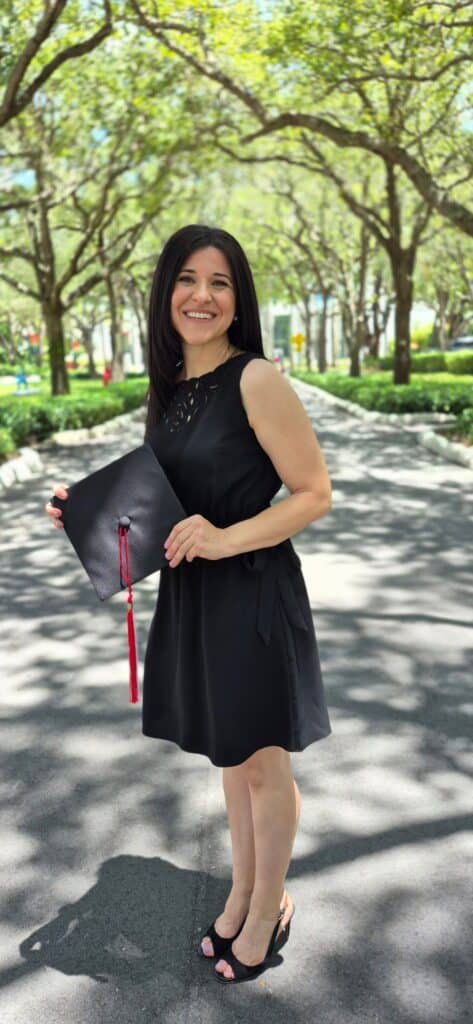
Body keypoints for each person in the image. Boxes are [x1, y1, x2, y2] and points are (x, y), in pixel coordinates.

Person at [45, 223, 333, 985]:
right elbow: (165, 499)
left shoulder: (255, 379)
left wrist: (226, 537)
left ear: (238, 300)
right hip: (197, 594)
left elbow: (313, 493)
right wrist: (87, 509)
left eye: (219, 283)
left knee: (263, 765)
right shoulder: (173, 392)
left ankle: (267, 906)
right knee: (232, 761)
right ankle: (242, 892)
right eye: (187, 280)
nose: (201, 296)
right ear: (165, 292)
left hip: (251, 591)